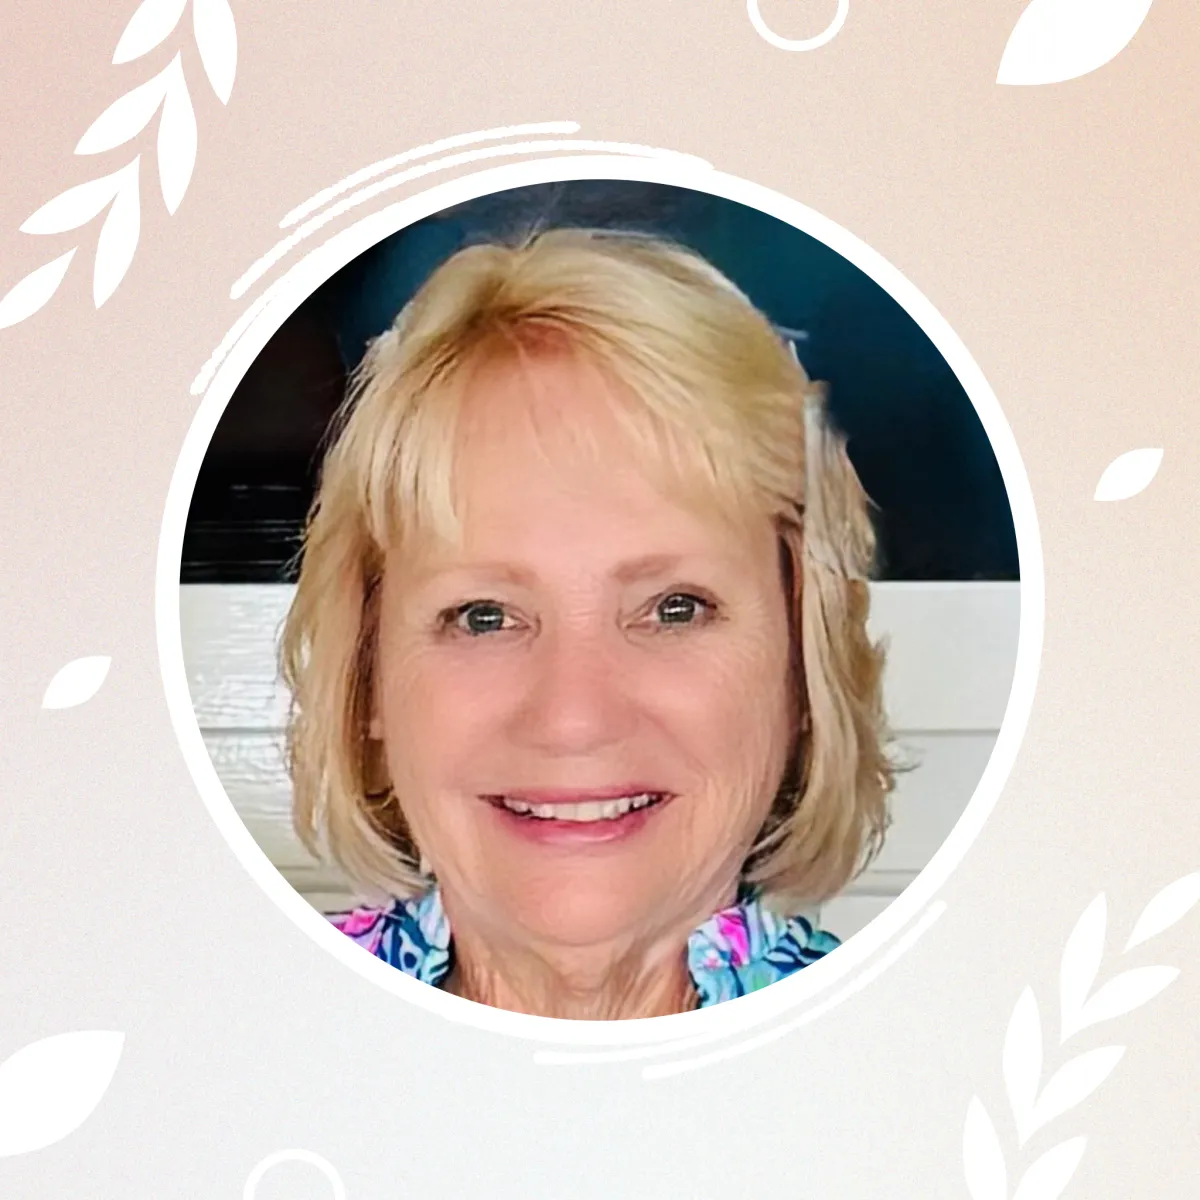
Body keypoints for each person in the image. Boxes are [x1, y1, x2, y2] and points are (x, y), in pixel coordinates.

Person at [279, 228, 893, 1020]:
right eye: (484, 617)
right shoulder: (237, 1046)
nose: (574, 719)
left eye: (674, 609)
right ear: (368, 679)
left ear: (801, 671)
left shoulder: (928, 1064)